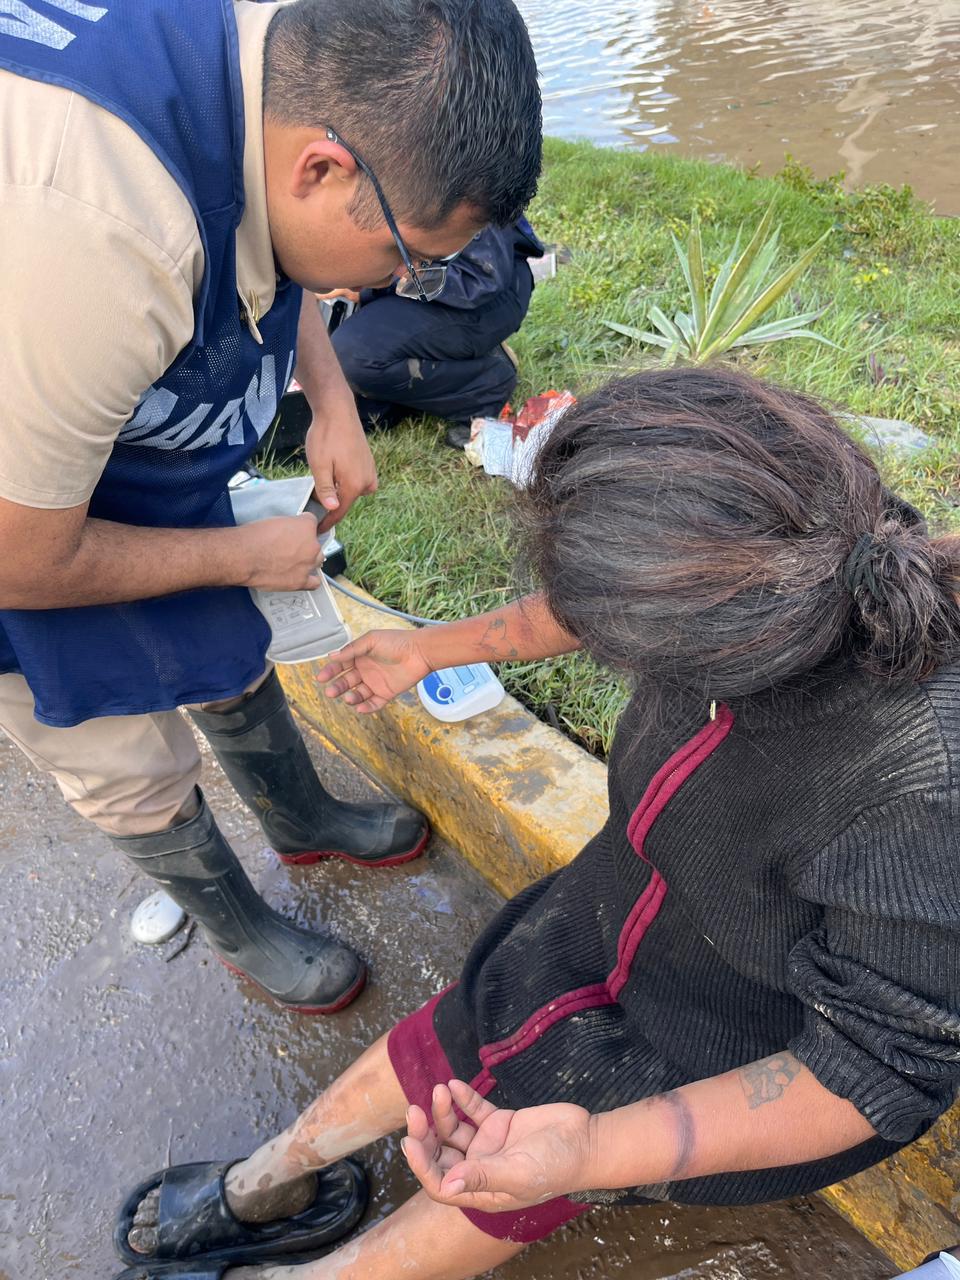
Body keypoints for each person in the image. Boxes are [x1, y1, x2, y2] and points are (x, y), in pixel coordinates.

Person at [113, 368, 960, 1280]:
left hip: (712, 1043)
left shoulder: (919, 792)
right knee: (468, 1020)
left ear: (714, 640)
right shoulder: (791, 557)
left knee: (515, 1171)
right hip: (606, 906)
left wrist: (592, 1151)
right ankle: (270, 1178)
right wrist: (428, 647)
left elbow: (876, 1066)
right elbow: (599, 601)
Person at [0, 0, 541, 1014]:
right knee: (119, 743)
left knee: (225, 640)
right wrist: (241, 557)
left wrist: (331, 398)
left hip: (99, 426)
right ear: (324, 170)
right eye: (408, 259)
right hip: (17, 525)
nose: (404, 284)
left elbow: (273, 245)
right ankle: (239, 927)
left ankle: (299, 817)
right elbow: (17, 555)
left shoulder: (271, 69)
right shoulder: (90, 234)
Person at [324, 217, 545, 449]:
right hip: (425, 276)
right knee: (363, 400)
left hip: (481, 296)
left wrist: (373, 283)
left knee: (352, 354)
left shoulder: (470, 195)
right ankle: (405, 388)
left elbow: (477, 281)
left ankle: (484, 387)